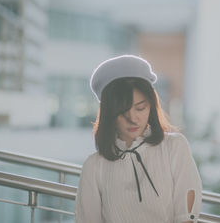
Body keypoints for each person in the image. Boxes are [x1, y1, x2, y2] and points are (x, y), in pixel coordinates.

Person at [75, 55, 202, 223]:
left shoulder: (174, 147)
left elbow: (186, 217)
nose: (133, 119)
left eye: (140, 108)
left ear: (151, 106)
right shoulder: (94, 166)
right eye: (123, 112)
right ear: (109, 114)